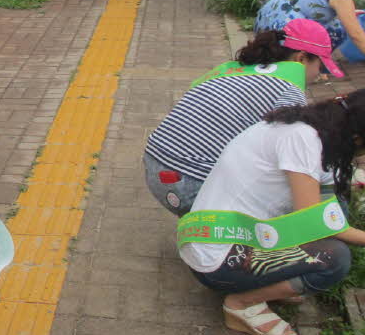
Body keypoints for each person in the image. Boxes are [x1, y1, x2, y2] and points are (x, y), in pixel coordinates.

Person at [177, 89, 365, 335]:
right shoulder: (303, 141)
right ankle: (242, 303)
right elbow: (312, 222)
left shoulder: (302, 126)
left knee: (336, 208)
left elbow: (325, 200)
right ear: (357, 138)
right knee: (334, 259)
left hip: (208, 238)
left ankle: (265, 283)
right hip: (219, 260)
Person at [144, 20, 344, 215]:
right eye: (321, 66)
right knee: (292, 186)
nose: (319, 74)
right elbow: (294, 149)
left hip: (155, 165)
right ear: (301, 58)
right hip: (191, 181)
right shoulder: (288, 90)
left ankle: (199, 227)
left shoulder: (232, 70)